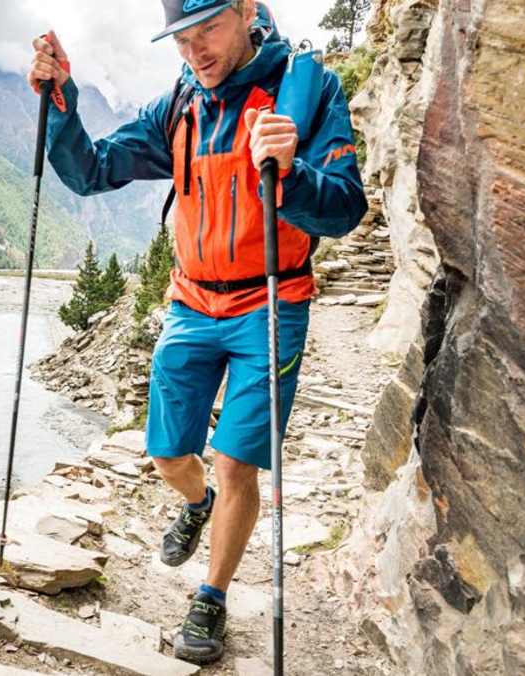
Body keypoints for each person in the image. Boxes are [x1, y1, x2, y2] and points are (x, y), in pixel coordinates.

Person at [28, 0, 367, 665]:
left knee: (236, 459)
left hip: (271, 302)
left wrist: (292, 172)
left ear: (245, 10)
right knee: (165, 454)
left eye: (206, 29)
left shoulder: (308, 89)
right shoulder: (180, 104)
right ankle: (196, 501)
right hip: (189, 303)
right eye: (180, 38)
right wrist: (60, 101)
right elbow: (93, 169)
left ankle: (209, 597)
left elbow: (344, 207)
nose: (194, 51)